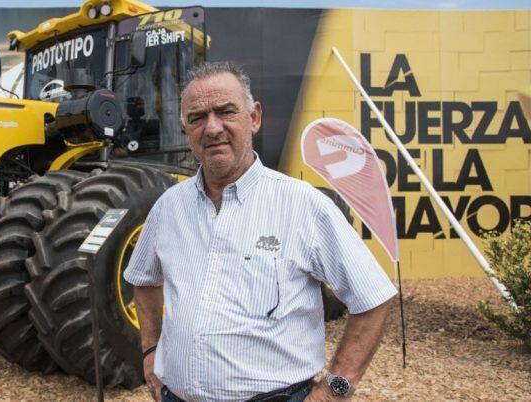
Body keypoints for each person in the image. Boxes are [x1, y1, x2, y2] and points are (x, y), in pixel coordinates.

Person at [123, 61, 398, 402]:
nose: (212, 128)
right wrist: (151, 352)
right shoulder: (169, 207)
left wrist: (336, 389)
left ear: (254, 117)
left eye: (226, 111)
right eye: (197, 117)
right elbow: (144, 279)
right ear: (185, 129)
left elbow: (373, 298)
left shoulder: (303, 206)